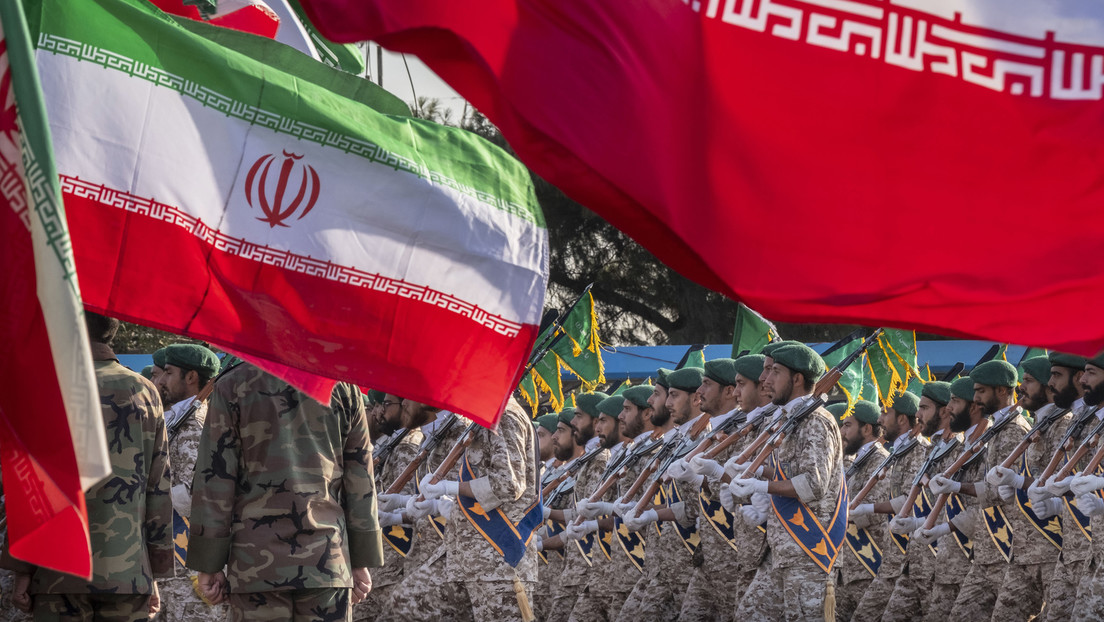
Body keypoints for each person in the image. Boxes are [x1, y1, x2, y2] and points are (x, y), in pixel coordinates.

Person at [1, 311, 173, 621]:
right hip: (128, 572)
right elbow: (157, 486)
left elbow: (27, 485)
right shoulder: (146, 391)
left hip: (56, 570)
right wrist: (154, 573)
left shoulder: (45, 386)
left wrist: (22, 570)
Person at [185, 362, 383, 621]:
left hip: (254, 563)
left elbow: (215, 479)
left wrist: (208, 563)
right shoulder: (344, 387)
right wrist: (360, 559)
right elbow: (360, 480)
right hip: (327, 560)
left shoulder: (232, 384)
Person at [731, 343, 845, 622]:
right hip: (781, 550)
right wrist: (758, 472)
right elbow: (788, 472)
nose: (765, 379)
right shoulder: (791, 420)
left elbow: (812, 485)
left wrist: (760, 486)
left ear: (796, 379)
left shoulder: (816, 420)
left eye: (775, 372)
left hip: (809, 552)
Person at [400, 396, 540, 622]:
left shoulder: (503, 416)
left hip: (499, 562)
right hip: (469, 559)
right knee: (404, 607)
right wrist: (437, 502)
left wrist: (449, 486)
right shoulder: (484, 417)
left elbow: (507, 485)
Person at [928, 360, 1032, 619]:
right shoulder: (997, 430)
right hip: (987, 549)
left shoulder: (1013, 431)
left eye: (982, 391)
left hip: (1007, 546)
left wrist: (957, 487)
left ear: (1002, 391)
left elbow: (1002, 492)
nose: (976, 398)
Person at [154, 344, 226, 622]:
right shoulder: (175, 419)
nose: (160, 381)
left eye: (168, 373)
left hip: (186, 571)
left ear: (191, 377)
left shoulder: (196, 425)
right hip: (170, 568)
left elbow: (193, 499)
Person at [834, 400, 889, 622]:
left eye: (847, 425)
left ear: (866, 429)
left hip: (868, 564)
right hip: (847, 568)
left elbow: (877, 511)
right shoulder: (859, 460)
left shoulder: (881, 460)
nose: (842, 432)